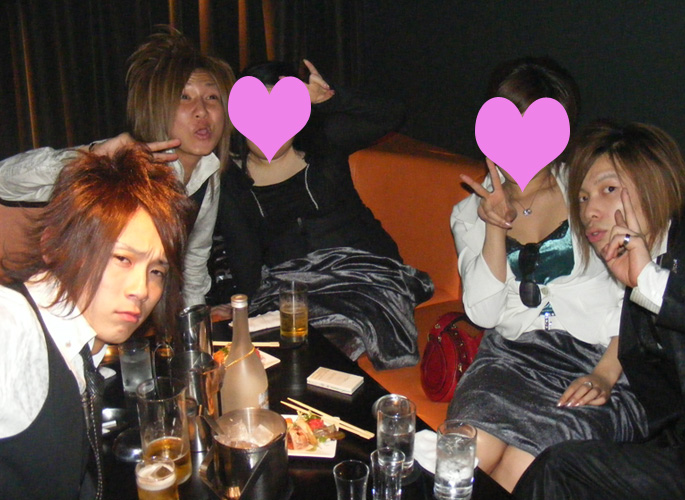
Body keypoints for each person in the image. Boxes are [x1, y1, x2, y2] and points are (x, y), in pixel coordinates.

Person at [449, 58, 646, 492]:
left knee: (526, 470)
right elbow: (483, 315)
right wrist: (494, 228)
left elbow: (637, 293)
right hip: (511, 360)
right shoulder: (468, 211)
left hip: (596, 363)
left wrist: (605, 375)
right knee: (460, 454)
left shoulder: (589, 191)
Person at [513, 121, 685, 499]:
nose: (590, 211)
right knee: (557, 462)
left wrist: (650, 282)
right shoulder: (639, 267)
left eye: (608, 189)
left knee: (560, 469)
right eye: (582, 198)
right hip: (682, 452)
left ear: (654, 182)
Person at [214, 60, 433, 369]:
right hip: (291, 286)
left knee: (325, 339)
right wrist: (241, 305)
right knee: (270, 343)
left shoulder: (325, 142)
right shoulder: (232, 181)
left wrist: (330, 98)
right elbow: (244, 255)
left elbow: (391, 113)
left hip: (363, 273)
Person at [0, 147, 192, 499]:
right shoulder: (13, 325)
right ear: (54, 245)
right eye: (122, 258)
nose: (141, 290)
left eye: (156, 271)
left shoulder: (83, 345)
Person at [0, 29, 234, 306]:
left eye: (212, 98)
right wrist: (91, 157)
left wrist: (196, 320)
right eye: (184, 97)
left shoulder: (208, 173)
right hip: (49, 302)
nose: (202, 111)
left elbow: (194, 260)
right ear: (156, 107)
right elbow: (5, 178)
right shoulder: (124, 163)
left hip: (125, 304)